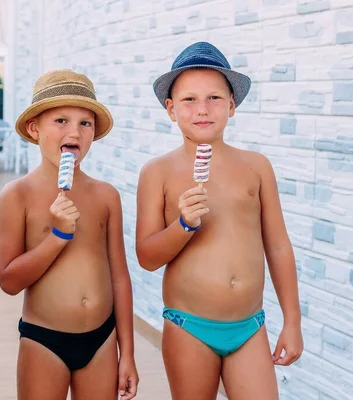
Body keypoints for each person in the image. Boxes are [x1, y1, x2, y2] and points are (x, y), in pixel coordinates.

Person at [135, 42, 303, 400]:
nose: (202, 110)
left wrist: (293, 320)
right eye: (189, 100)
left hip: (250, 326)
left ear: (232, 105)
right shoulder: (158, 173)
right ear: (170, 109)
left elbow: (277, 245)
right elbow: (147, 258)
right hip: (189, 326)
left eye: (213, 98)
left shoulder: (256, 167)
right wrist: (182, 225)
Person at [0, 69, 138, 400]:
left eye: (84, 123)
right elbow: (9, 281)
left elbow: (119, 277)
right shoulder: (17, 195)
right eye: (61, 120)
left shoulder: (106, 196)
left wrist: (126, 352)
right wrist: (58, 236)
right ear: (34, 128)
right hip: (44, 340)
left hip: (102, 340)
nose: (74, 130)